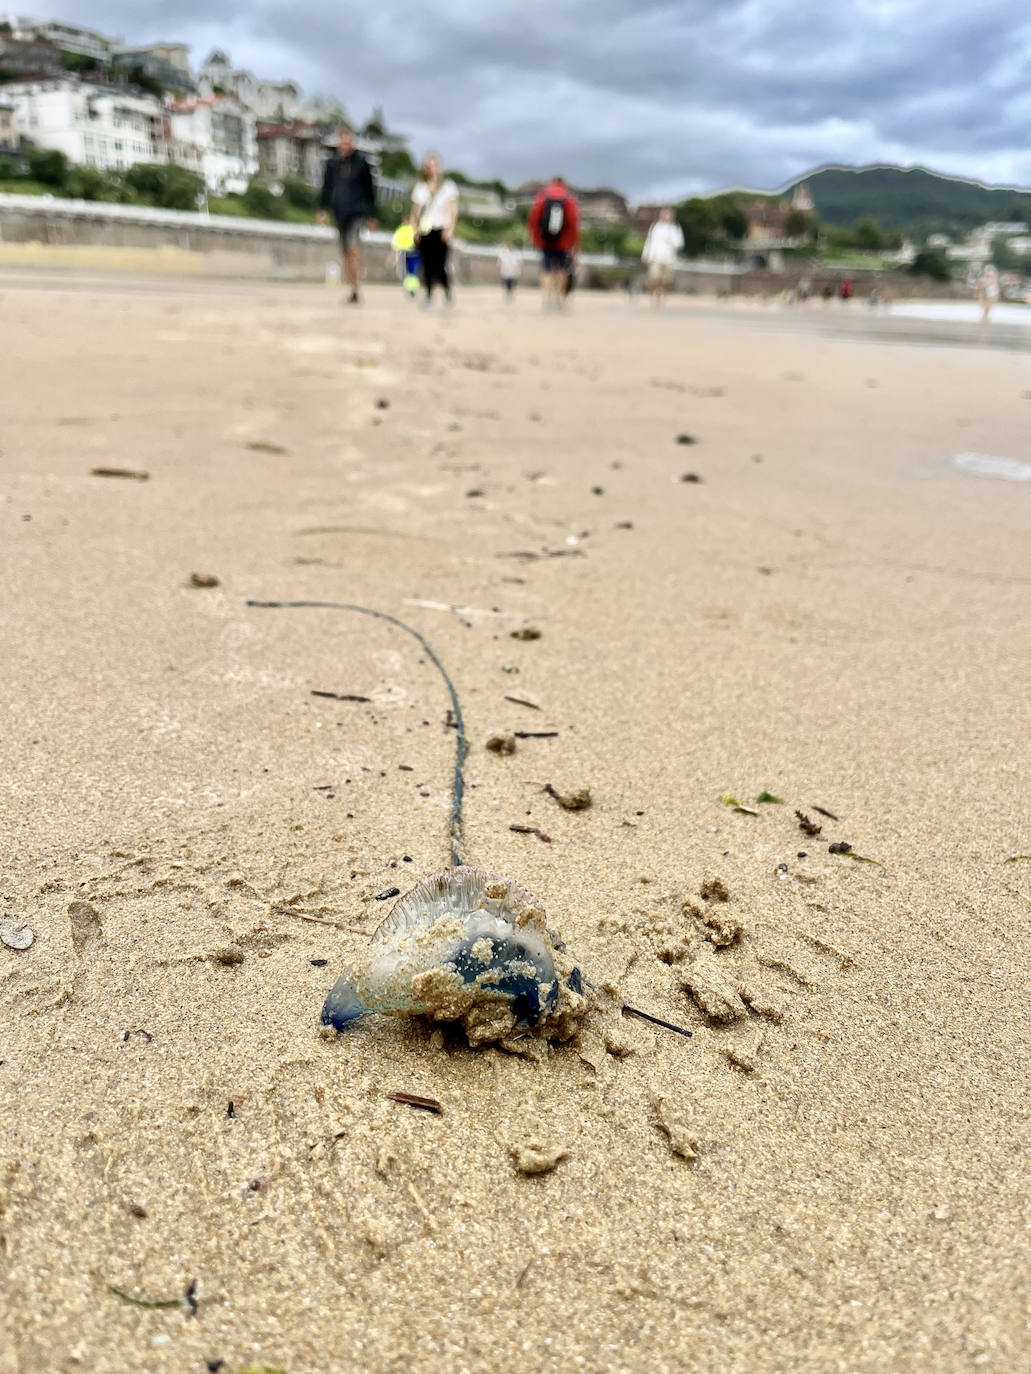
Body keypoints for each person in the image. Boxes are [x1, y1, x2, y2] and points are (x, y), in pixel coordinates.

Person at [316, 129, 378, 305]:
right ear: (338, 142)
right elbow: (325, 188)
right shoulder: (332, 163)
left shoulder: (362, 163)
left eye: (349, 141)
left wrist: (372, 215)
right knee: (345, 253)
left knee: (353, 248)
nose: (346, 144)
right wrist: (322, 209)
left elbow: (370, 191)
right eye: (343, 141)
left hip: (357, 212)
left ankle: (356, 286)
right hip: (339, 212)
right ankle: (353, 289)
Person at [410, 154, 459, 306]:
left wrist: (450, 229)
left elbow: (453, 210)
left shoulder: (448, 186)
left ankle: (447, 289)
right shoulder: (420, 187)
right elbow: (416, 211)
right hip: (425, 230)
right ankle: (429, 294)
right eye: (429, 165)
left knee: (441, 263)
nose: (432, 168)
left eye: (434, 165)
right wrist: (414, 230)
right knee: (427, 264)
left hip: (442, 228)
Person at [527, 176, 580, 309]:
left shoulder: (543, 194)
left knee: (546, 269)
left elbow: (533, 219)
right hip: (564, 242)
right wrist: (574, 243)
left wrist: (534, 238)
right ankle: (560, 299)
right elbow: (573, 222)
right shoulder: (568, 197)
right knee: (562, 270)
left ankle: (546, 299)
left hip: (545, 240)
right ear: (563, 183)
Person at [641, 207, 684, 307]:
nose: (666, 216)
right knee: (654, 278)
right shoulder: (655, 227)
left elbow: (680, 243)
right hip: (656, 257)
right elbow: (649, 242)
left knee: (665, 281)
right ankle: (653, 297)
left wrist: (671, 240)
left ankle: (662, 300)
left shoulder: (675, 228)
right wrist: (645, 254)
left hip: (669, 258)